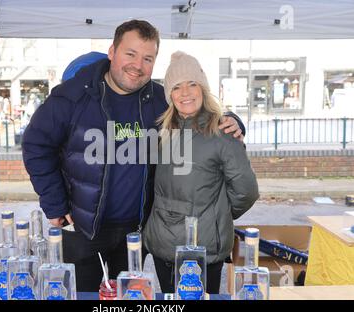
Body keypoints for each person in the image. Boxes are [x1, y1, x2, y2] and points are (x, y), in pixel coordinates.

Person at [22, 19, 244, 292]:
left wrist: (231, 120)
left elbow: (194, 110)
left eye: (147, 58)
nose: (138, 65)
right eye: (130, 54)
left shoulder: (158, 99)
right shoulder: (73, 96)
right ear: (112, 52)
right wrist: (54, 203)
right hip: (85, 229)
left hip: (136, 232)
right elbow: (35, 144)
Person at [143, 51, 259, 294]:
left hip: (202, 250)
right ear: (169, 95)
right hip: (162, 248)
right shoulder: (161, 134)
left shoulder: (223, 133)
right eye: (177, 87)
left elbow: (246, 192)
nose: (185, 93)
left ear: (203, 89)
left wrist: (218, 216)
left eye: (192, 84)